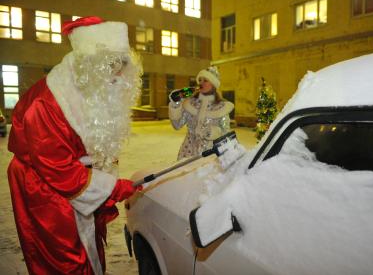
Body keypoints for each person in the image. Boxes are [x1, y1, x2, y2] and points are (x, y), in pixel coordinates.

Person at [7, 16, 143, 275]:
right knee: (64, 257)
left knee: (88, 244)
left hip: (73, 176)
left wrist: (108, 180)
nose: (118, 74)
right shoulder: (47, 104)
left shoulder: (92, 88)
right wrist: (112, 188)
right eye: (111, 65)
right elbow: (58, 170)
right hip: (42, 186)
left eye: (122, 64)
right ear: (90, 66)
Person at [169, 66, 234, 159]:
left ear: (213, 84)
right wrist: (175, 104)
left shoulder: (221, 107)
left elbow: (225, 131)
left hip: (210, 153)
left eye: (205, 80)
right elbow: (177, 125)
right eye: (200, 80)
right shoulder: (190, 103)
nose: (201, 83)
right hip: (188, 152)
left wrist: (215, 132)